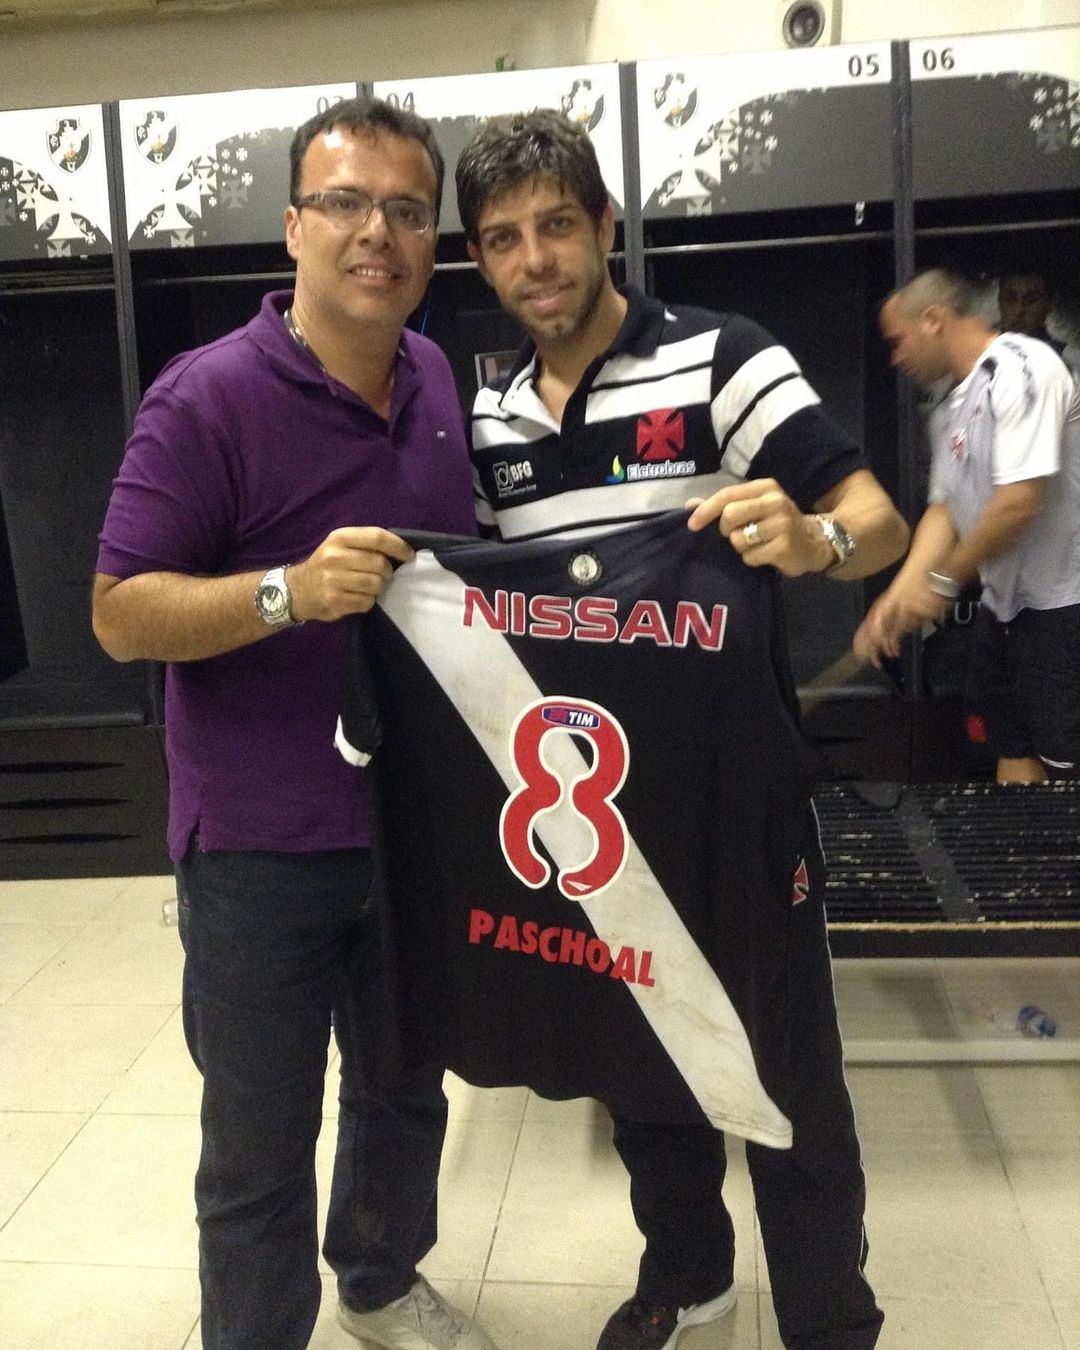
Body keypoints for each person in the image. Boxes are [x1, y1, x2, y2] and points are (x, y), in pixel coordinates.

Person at [454, 109, 909, 1350]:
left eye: (558, 224)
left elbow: (878, 519)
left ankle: (832, 1321)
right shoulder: (488, 421)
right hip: (593, 820)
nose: (537, 258)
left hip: (742, 803)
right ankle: (688, 1273)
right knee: (638, 1059)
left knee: (788, 1077)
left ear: (607, 225)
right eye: (505, 238)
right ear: (482, 260)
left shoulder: (724, 360)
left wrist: (813, 539)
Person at [92, 97, 499, 1350]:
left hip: (412, 828)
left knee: (402, 1089)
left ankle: (376, 1278)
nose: (377, 232)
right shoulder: (204, 398)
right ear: (293, 226)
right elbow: (118, 612)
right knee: (259, 1138)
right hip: (260, 847)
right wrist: (286, 592)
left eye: (407, 211)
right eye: (346, 203)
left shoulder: (436, 378)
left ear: (433, 240)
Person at [857, 267, 1080, 784]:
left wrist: (942, 582)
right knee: (1010, 744)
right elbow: (945, 511)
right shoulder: (950, 409)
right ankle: (1023, 839)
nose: (895, 358)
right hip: (1004, 610)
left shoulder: (1024, 367)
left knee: (1067, 768)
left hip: (1063, 607)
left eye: (898, 341)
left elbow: (1018, 502)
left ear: (933, 320)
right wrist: (898, 594)